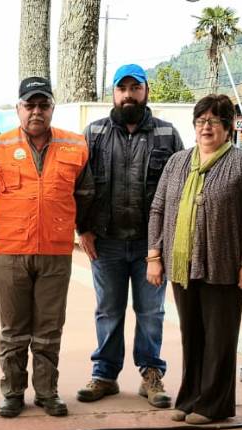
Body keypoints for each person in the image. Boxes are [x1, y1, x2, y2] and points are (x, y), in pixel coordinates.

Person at [0, 77, 91, 417]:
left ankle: (47, 392)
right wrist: (1, 220)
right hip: (11, 252)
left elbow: (86, 194)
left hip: (55, 252)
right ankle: (11, 392)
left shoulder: (75, 146)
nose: (36, 111)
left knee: (49, 328)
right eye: (30, 105)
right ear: (19, 108)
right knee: (13, 329)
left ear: (52, 108)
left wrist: (71, 224)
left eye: (43, 105)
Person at [146, 94, 242, 424]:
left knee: (220, 336)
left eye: (214, 121)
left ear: (228, 127)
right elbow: (158, 208)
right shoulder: (178, 162)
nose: (206, 127)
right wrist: (154, 256)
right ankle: (190, 398)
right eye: (201, 121)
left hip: (225, 265)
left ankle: (214, 405)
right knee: (193, 334)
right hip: (182, 264)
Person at [77, 64, 184, 408]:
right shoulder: (93, 134)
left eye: (134, 88)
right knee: (108, 310)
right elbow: (81, 187)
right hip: (105, 243)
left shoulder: (167, 135)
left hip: (149, 246)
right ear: (113, 93)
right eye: (121, 89)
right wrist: (83, 230)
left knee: (151, 312)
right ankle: (105, 375)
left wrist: (164, 244)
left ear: (146, 91)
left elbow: (178, 192)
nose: (128, 95)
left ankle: (151, 373)